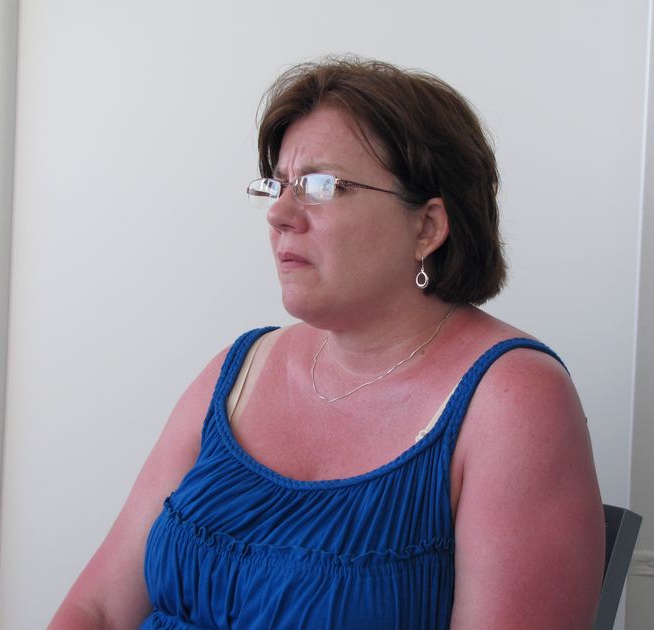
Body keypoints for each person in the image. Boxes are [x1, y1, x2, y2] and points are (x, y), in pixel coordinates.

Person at [50, 56, 604, 629]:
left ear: (427, 227)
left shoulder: (513, 399)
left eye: (320, 186)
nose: (280, 214)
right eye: (278, 185)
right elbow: (99, 610)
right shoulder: (240, 370)